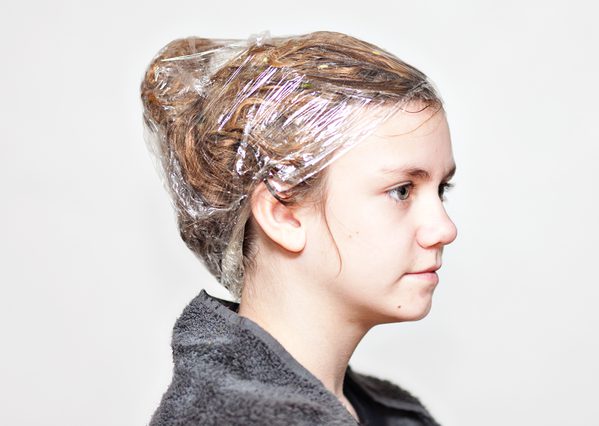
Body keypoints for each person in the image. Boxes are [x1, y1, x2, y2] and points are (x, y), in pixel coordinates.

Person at [140, 30, 457, 425]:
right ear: (282, 213)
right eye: (402, 191)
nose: (444, 229)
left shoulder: (384, 411)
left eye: (442, 189)